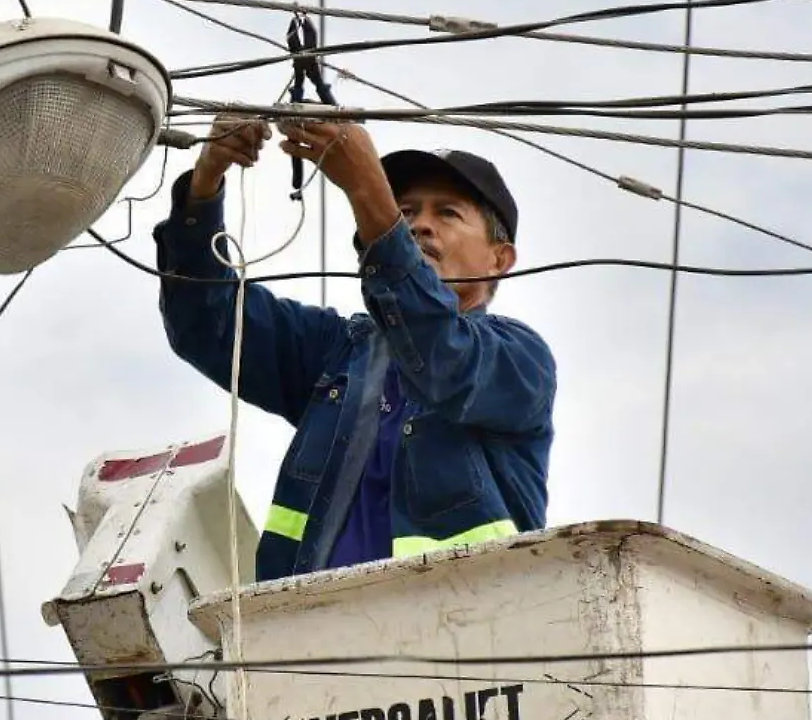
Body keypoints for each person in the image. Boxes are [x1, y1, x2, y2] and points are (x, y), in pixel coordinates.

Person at [153, 116, 556, 582]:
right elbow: (207, 323)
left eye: (447, 213)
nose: (419, 226)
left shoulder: (521, 361)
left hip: (462, 633)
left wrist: (370, 192)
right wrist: (205, 185)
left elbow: (442, 356)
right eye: (404, 212)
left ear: (500, 260)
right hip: (309, 638)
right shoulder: (340, 352)